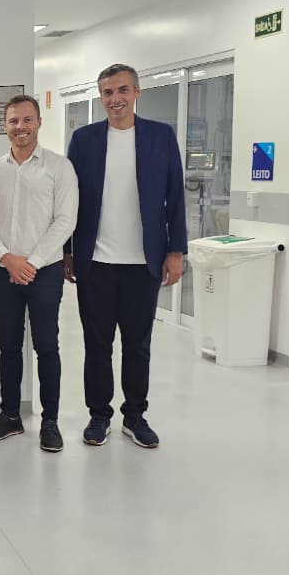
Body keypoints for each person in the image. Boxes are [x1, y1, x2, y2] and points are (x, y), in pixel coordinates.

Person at [65, 64, 187, 449]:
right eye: (107, 92)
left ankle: (135, 415)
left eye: (122, 90)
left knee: (137, 345)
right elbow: (69, 201)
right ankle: (99, 415)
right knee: (97, 345)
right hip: (96, 262)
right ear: (100, 97)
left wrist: (176, 250)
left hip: (143, 263)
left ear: (137, 92)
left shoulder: (160, 137)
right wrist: (68, 251)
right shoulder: (84, 140)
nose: (114, 99)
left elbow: (175, 196)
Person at [0, 95, 79, 452]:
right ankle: (10, 416)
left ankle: (50, 421)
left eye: (26, 120)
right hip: (3, 272)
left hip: (44, 273)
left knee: (46, 346)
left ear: (38, 122)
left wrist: (31, 262)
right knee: (8, 346)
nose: (20, 127)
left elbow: (65, 221)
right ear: (5, 125)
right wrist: (8, 259)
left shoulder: (59, 168)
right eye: (13, 121)